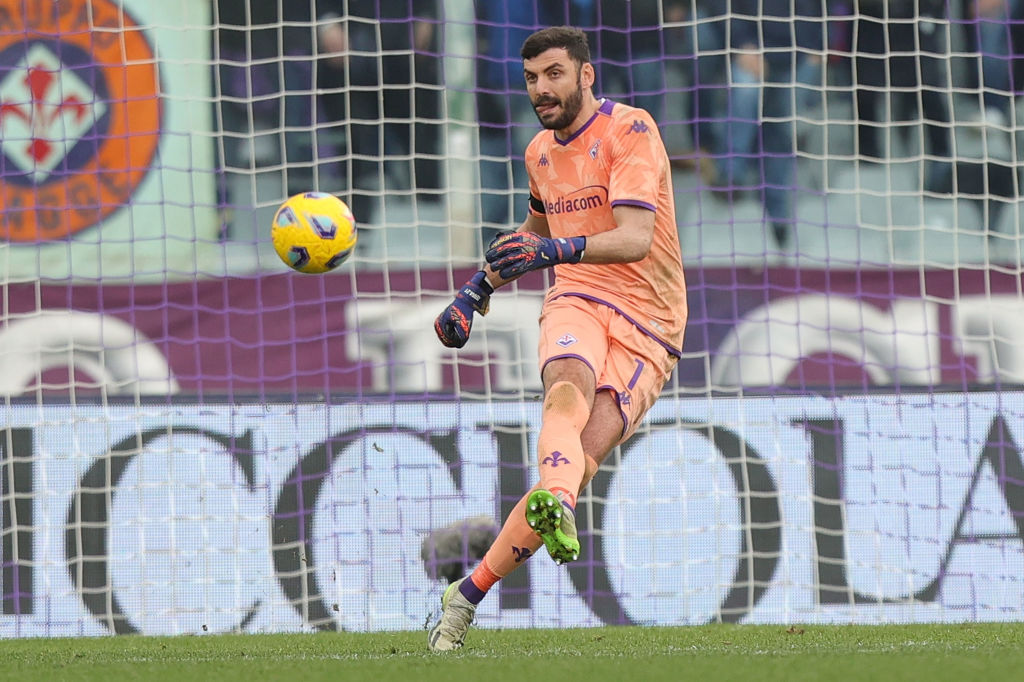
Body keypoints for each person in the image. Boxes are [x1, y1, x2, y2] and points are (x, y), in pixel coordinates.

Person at [427, 26, 687, 652]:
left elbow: (634, 238)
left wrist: (550, 249)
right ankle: (555, 507)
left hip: (650, 318)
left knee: (578, 460)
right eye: (531, 79)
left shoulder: (632, 131)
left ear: (585, 75)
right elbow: (534, 231)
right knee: (563, 391)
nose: (541, 89)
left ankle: (467, 592)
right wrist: (476, 290)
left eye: (553, 74)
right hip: (576, 294)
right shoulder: (538, 152)